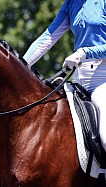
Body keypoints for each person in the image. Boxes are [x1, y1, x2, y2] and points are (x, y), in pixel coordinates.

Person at [23, 0, 106, 152]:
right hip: (78, 80)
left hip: (102, 80)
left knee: (105, 137)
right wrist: (22, 65)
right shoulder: (71, 4)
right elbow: (47, 38)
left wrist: (84, 52)